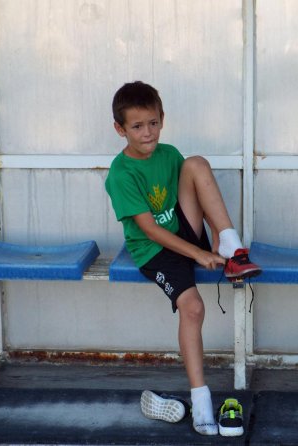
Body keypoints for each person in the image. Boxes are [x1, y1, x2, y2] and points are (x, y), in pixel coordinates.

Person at [105, 81, 260, 436]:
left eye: (153, 123)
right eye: (137, 126)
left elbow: (190, 199)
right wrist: (198, 254)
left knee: (196, 163)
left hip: (182, 230)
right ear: (120, 129)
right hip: (156, 249)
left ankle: (232, 247)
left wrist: (214, 244)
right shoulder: (122, 173)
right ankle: (201, 399)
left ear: (162, 119)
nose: (148, 133)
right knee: (193, 308)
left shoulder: (170, 153)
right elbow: (150, 230)